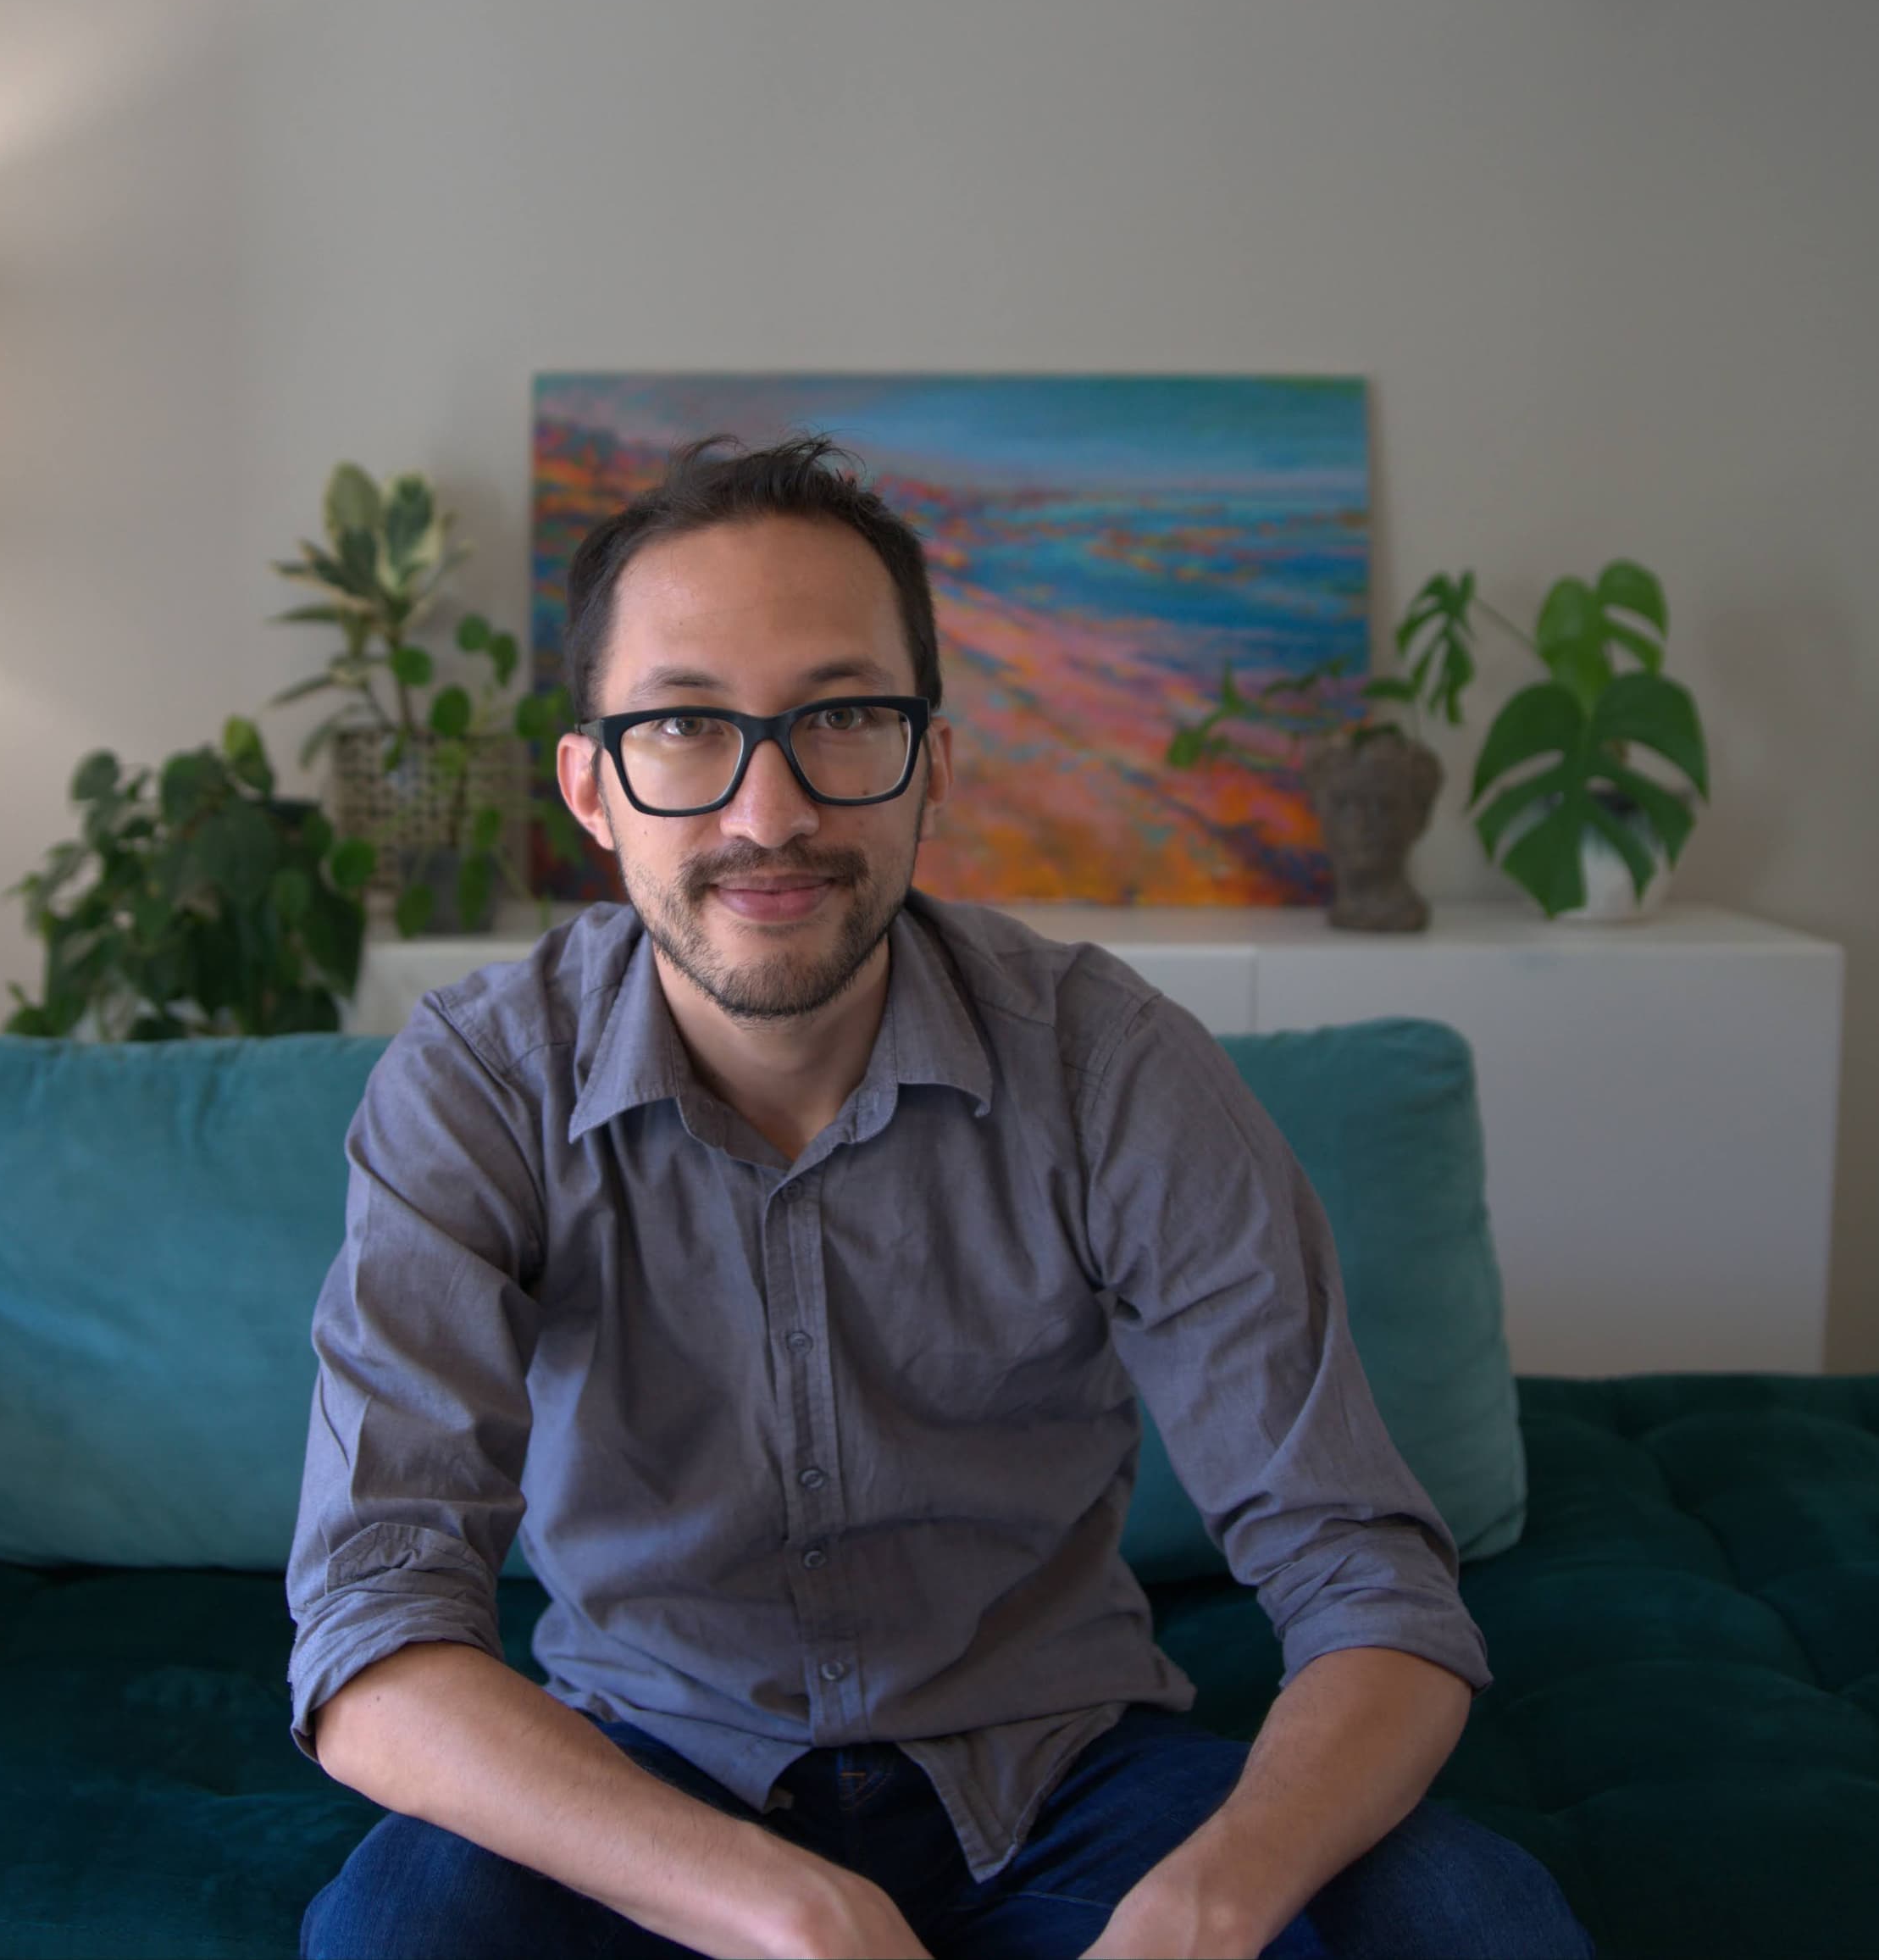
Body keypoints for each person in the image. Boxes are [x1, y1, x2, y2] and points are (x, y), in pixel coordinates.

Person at [287, 436, 1593, 1960]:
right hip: (657, 1786)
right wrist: (778, 1903)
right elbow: (374, 1637)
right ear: (593, 785)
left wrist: (1215, 1898)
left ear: (933, 764)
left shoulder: (1112, 1065)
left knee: (1468, 1914)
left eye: (841, 717)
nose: (767, 811)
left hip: (1065, 1777)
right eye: (687, 726)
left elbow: (1369, 1579)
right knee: (397, 1925)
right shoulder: (479, 1084)